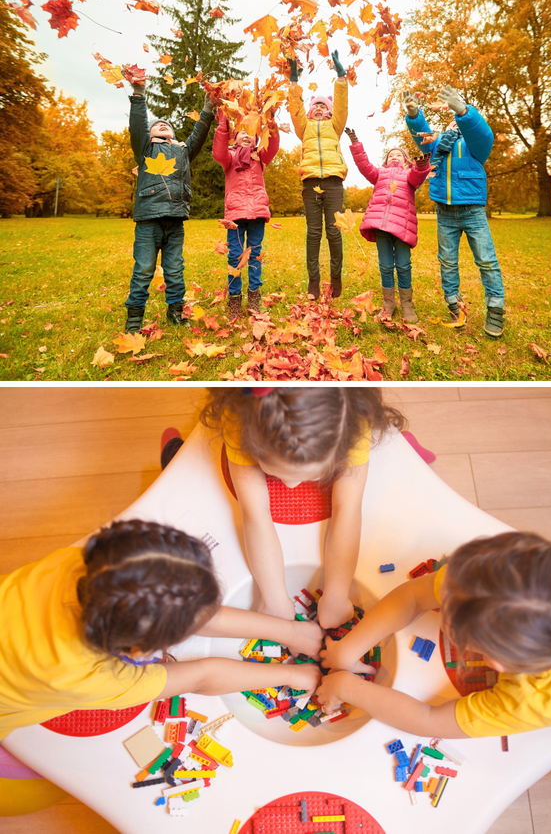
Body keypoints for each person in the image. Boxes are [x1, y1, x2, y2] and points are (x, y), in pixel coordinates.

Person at [0, 520, 323, 742]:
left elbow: (188, 609)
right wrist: (290, 674)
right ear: (138, 653)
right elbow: (201, 677)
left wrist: (290, 632)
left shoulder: (95, 565)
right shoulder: (87, 675)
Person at [315, 532, 551, 739]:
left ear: (494, 662)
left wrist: (348, 688)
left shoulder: (535, 700)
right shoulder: (498, 577)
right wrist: (348, 649)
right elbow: (414, 595)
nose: (437, 594)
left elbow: (430, 721)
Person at [198, 387, 406, 630]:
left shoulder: (354, 424)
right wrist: (274, 601)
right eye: (274, 471)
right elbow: (254, 513)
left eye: (312, 476)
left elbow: (348, 507)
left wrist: (338, 595)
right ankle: (173, 449)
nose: (291, 485)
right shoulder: (239, 421)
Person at [404, 86, 506, 337]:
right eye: (452, 118)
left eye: (458, 118)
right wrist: (414, 115)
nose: (454, 121)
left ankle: (495, 310)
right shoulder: (438, 145)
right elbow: (421, 134)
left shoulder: (476, 146)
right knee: (448, 262)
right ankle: (454, 307)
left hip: (473, 212)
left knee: (486, 261)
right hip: (445, 213)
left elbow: (482, 132)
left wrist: (463, 111)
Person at [123, 71, 214, 333]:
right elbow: (138, 125)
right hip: (148, 220)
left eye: (166, 124)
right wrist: (139, 94)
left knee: (174, 269)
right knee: (144, 269)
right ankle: (134, 318)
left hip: (175, 221)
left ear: (173, 133)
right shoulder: (145, 149)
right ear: (150, 133)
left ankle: (176, 311)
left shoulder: (183, 151)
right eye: (157, 124)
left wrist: (208, 108)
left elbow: (199, 133)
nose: (163, 124)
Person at [346, 131, 431, 322]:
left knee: (403, 265)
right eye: (390, 155)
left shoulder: (409, 174)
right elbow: (364, 165)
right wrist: (355, 143)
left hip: (402, 227)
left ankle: (407, 304)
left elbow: (418, 176)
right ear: (385, 161)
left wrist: (421, 165)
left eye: (398, 154)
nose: (394, 156)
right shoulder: (379, 174)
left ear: (406, 161)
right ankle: (389, 303)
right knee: (385, 266)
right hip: (381, 226)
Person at [287, 53, 349, 300]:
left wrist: (341, 78)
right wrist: (294, 83)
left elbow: (342, 106)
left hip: (333, 182)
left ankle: (336, 278)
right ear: (310, 111)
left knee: (334, 231)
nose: (319, 109)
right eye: (316, 106)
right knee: (313, 232)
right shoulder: (304, 128)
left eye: (324, 107)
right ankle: (314, 281)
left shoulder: (335, 126)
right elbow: (295, 110)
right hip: (311, 182)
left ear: (329, 112)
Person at [212, 107, 280, 320]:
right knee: (235, 255)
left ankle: (254, 296)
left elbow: (273, 146)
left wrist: (271, 122)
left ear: (257, 138)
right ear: (235, 136)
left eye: (251, 133)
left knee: (255, 254)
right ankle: (234, 297)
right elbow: (218, 152)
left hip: (257, 212)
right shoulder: (230, 157)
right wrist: (223, 125)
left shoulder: (260, 156)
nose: (247, 136)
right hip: (235, 215)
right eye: (242, 132)